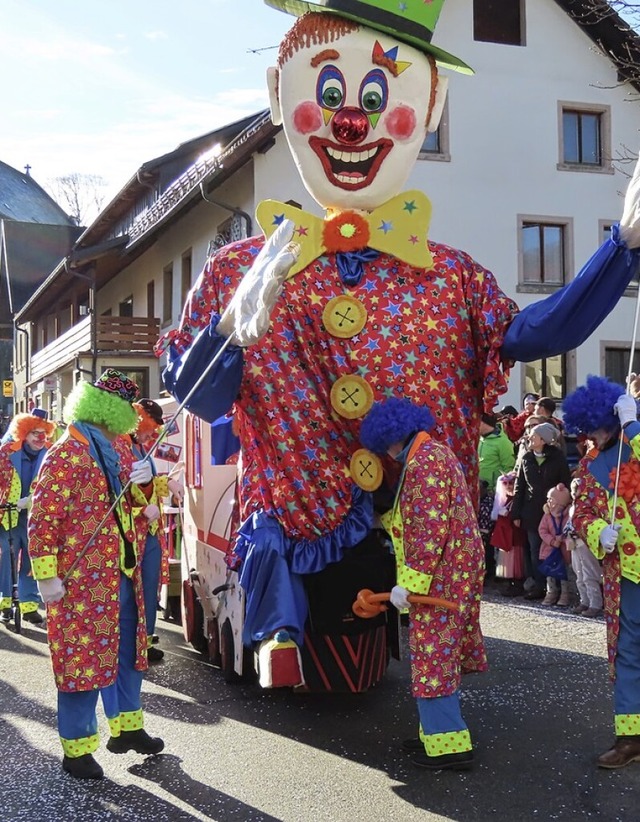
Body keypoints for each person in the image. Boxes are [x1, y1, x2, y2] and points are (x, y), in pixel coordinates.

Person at [157, 0, 640, 683]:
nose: (352, 121)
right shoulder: (244, 271)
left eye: (379, 97)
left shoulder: (450, 276)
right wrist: (226, 336)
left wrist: (620, 250)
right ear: (276, 94)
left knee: (428, 640)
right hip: (296, 513)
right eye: (328, 95)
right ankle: (278, 631)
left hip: (411, 516)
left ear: (433, 104)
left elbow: (538, 331)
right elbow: (201, 399)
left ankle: (435, 710)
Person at [28, 369, 164, 780]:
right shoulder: (66, 452)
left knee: (128, 654)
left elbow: (130, 508)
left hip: (122, 576)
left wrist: (144, 486)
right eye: (125, 409)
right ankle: (76, 750)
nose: (129, 419)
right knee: (81, 664)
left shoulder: (120, 449)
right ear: (107, 407)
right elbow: (43, 519)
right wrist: (46, 575)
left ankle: (127, 729)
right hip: (80, 581)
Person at [360, 398, 486, 771]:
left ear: (392, 436)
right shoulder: (430, 454)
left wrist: (409, 585)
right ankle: (434, 734)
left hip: (441, 580)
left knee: (433, 656)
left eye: (385, 446)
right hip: (449, 573)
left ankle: (449, 747)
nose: (386, 453)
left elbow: (429, 530)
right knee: (436, 655)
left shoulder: (425, 462)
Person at [563, 375, 640, 768]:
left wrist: (634, 424)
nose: (595, 432)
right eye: (589, 427)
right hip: (624, 574)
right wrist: (598, 531)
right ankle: (630, 739)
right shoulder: (591, 466)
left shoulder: (636, 442)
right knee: (627, 653)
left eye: (599, 424)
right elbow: (582, 513)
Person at [124, 399, 183, 663]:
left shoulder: (138, 447)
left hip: (149, 532)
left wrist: (167, 483)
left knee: (149, 589)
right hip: (132, 534)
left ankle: (145, 641)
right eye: (151, 427)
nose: (152, 434)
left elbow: (145, 485)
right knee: (135, 592)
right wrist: (141, 511)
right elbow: (116, 495)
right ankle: (135, 643)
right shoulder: (122, 446)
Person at [0, 409, 55, 625]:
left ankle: (29, 605)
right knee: (7, 556)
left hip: (36, 515)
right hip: (7, 514)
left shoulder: (51, 454)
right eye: (35, 433)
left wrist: (31, 500)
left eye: (43, 433)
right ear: (24, 433)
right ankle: (5, 601)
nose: (40, 438)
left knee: (33, 557)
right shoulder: (6, 452)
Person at [511, 423, 572, 600]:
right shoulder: (526, 458)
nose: (529, 438)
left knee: (555, 549)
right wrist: (516, 513)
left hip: (553, 512)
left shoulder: (557, 458)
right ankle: (539, 586)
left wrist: (562, 496)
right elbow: (519, 486)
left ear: (543, 440)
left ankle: (559, 588)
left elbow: (565, 481)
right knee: (534, 549)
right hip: (530, 511)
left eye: (533, 436)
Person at [564, 477, 603, 618]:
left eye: (577, 489)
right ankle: (584, 600)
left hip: (585, 542)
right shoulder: (573, 506)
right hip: (574, 542)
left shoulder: (589, 504)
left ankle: (595, 604)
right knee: (578, 573)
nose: (574, 492)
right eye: (573, 489)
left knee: (589, 574)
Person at [491, 472, 526, 596]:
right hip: (506, 536)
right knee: (508, 560)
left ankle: (518, 584)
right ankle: (510, 583)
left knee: (516, 560)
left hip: (515, 536)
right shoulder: (504, 500)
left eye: (511, 483)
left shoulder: (517, 500)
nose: (508, 486)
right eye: (505, 483)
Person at [538, 483, 572, 607]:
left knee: (564, 574)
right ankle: (551, 592)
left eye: (551, 500)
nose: (548, 502)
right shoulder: (547, 516)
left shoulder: (568, 516)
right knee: (550, 574)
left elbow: (570, 530)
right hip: (549, 549)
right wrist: (552, 541)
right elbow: (542, 530)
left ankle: (565, 594)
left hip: (563, 550)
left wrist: (562, 538)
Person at [478, 412, 515, 491]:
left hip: (494, 492)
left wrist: (498, 489)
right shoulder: (478, 440)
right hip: (479, 489)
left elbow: (508, 468)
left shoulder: (503, 442)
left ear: (483, 423)